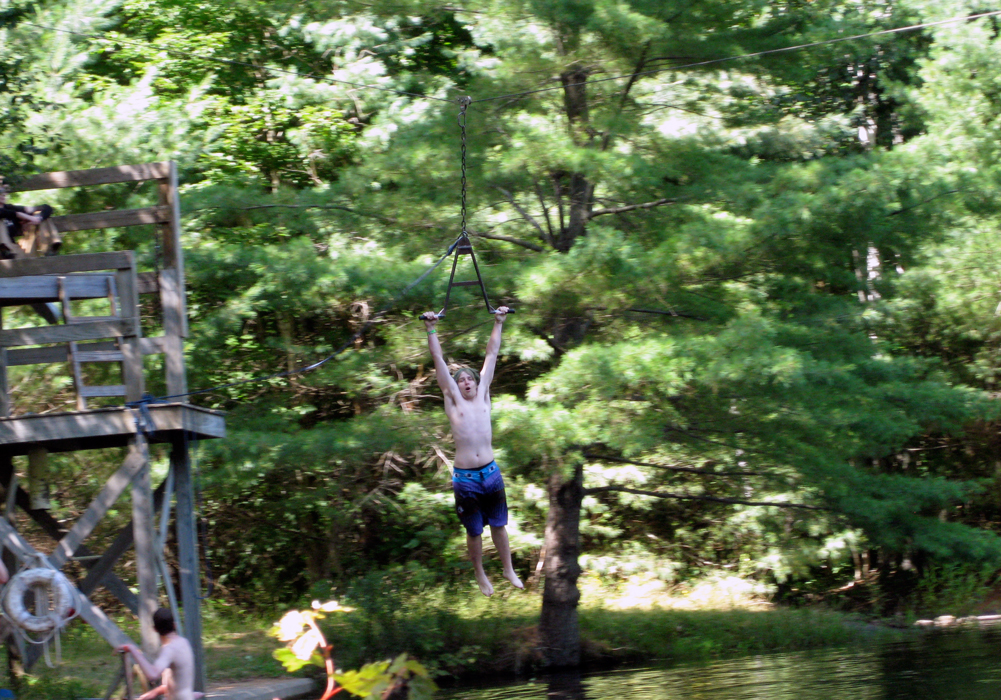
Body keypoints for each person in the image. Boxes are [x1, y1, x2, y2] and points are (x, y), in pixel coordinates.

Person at [422, 306, 524, 596]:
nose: (466, 382)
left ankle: (507, 568)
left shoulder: (483, 396)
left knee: (499, 525)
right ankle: (480, 573)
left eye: (470, 379)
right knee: (474, 531)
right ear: (454, 386)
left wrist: (499, 322)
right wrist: (431, 329)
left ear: (477, 383)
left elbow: (491, 355)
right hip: (466, 477)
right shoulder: (453, 402)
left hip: (491, 472)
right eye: (460, 380)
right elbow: (438, 359)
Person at [118, 608, 198, 700]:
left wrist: (132, 649)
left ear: (154, 629)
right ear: (174, 625)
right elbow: (178, 682)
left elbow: (153, 675)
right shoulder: (184, 642)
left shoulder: (169, 649)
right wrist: (153, 693)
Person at [0, 184, 51, 258]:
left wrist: (39, 218)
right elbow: (3, 213)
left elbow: (46, 208)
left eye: (5, 192)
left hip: (13, 250)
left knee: (42, 218)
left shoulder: (10, 208)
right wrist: (23, 216)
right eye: (0, 192)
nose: (3, 194)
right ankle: (4, 250)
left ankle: (49, 249)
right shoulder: (12, 211)